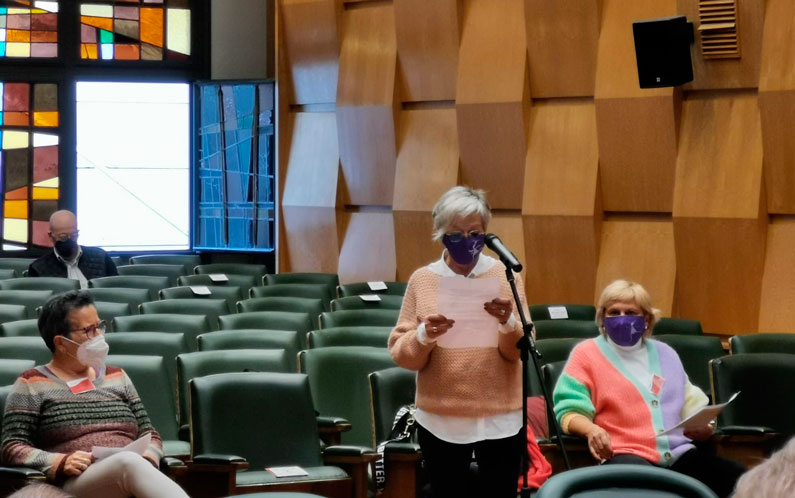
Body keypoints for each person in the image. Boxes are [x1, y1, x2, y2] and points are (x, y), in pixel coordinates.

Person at [388, 186, 529, 498]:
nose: (466, 241)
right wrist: (424, 335)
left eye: (474, 232)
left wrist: (507, 322)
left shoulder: (506, 276)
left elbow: (519, 351)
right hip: (441, 418)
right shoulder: (423, 279)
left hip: (500, 417)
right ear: (441, 233)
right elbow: (402, 353)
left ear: (486, 233)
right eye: (455, 233)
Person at [552, 279, 745, 497]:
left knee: (742, 480)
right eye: (614, 312)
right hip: (625, 454)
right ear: (602, 318)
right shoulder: (586, 354)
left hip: (678, 454)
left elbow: (692, 405)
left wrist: (704, 428)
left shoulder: (666, 354)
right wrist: (591, 430)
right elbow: (569, 411)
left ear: (646, 319)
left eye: (630, 312)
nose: (622, 318)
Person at [1, 291, 189, 498]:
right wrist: (58, 462)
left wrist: (148, 459)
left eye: (99, 326)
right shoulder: (31, 383)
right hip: (76, 482)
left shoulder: (117, 376)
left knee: (130, 463)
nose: (98, 335)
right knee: (127, 463)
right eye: (88, 331)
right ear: (61, 342)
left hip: (133, 470)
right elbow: (12, 446)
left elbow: (150, 434)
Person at [28, 210, 117, 288]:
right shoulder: (38, 268)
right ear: (51, 236)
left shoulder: (100, 257)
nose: (69, 240)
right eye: (63, 237)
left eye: (73, 235)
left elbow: (116, 290)